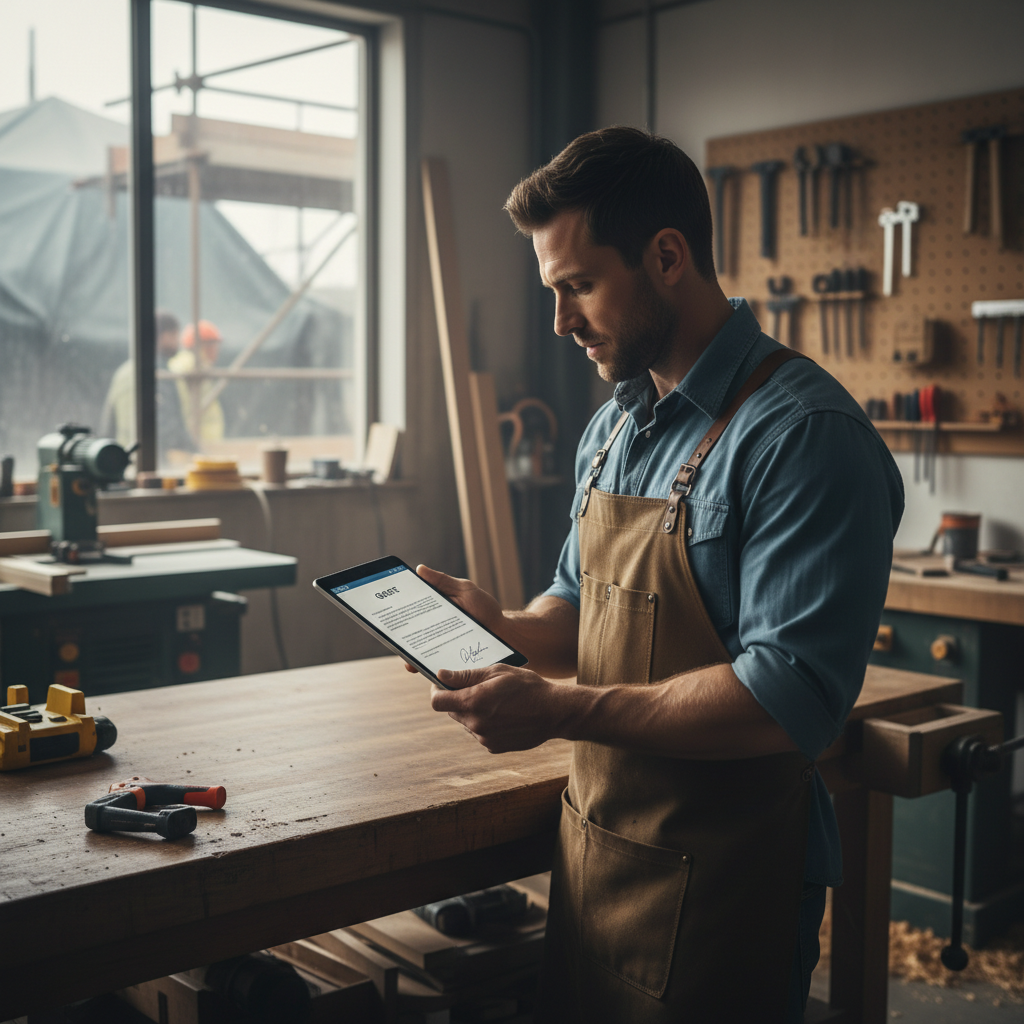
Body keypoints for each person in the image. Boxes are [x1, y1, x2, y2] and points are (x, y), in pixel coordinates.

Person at [412, 127, 904, 1023]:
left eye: (579, 287)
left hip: (729, 887)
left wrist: (560, 708)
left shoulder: (803, 438)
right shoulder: (615, 427)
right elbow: (579, 605)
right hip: (598, 857)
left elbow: (787, 699)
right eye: (553, 292)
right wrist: (506, 632)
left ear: (668, 257)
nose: (561, 322)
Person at [100, 309, 195, 463]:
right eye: (175, 336)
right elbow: (168, 428)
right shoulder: (160, 373)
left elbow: (108, 427)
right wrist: (197, 452)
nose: (178, 343)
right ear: (165, 336)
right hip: (153, 462)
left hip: (125, 462)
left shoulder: (123, 372)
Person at [169, 320, 226, 444]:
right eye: (214, 345)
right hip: (199, 439)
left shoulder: (198, 366)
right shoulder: (190, 365)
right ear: (204, 346)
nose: (217, 351)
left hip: (201, 439)